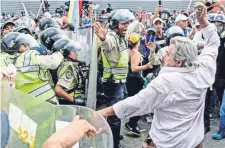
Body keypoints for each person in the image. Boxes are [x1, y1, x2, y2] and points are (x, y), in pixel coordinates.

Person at [98, 3, 220, 148]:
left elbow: (135, 103)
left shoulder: (165, 83)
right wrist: (203, 22)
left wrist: (101, 113)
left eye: (168, 54)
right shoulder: (203, 70)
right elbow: (213, 44)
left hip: (166, 142)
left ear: (178, 62)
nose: (164, 57)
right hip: (194, 142)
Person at [94, 8, 142, 148]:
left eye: (128, 23)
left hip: (121, 82)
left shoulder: (122, 35)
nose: (126, 26)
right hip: (113, 84)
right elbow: (106, 43)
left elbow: (131, 26)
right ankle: (114, 144)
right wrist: (102, 38)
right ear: (115, 24)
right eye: (123, 23)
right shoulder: (111, 38)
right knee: (115, 114)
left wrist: (137, 20)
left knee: (120, 111)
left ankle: (114, 134)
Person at [1, 32, 65, 104]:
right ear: (19, 47)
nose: (28, 47)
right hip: (45, 102)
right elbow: (53, 62)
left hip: (23, 105)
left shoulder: (4, 60)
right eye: (25, 45)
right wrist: (61, 52)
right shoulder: (28, 57)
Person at [124, 33, 152, 136]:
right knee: (139, 103)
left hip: (131, 80)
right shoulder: (135, 52)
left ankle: (132, 123)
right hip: (135, 80)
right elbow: (134, 68)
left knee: (135, 102)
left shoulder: (130, 51)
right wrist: (146, 66)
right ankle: (132, 124)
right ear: (138, 42)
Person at [55, 41, 86, 106]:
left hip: (72, 101)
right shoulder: (69, 66)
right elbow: (58, 90)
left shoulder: (70, 64)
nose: (77, 54)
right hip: (68, 103)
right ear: (68, 54)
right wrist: (73, 100)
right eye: (74, 51)